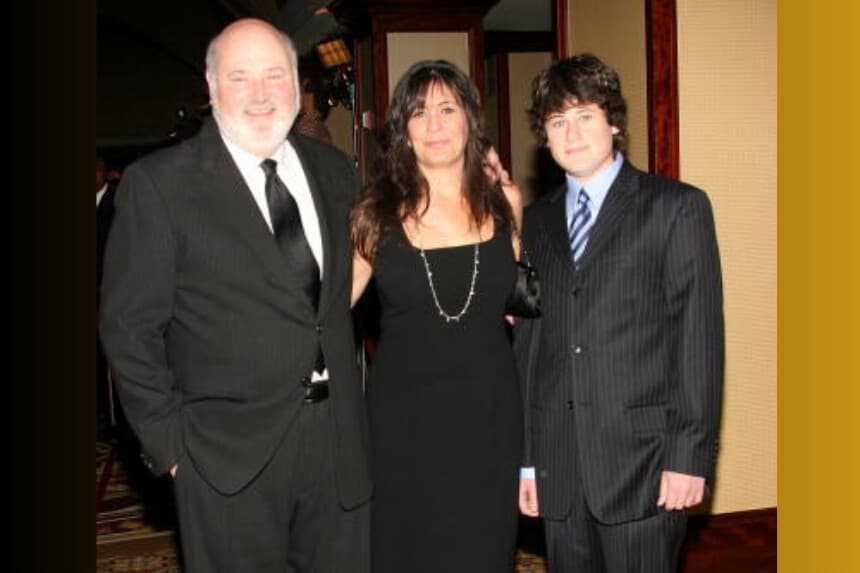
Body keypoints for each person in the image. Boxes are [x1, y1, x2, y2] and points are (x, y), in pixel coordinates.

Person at [99, 18, 371, 573]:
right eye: (241, 76)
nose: (261, 93)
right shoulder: (160, 184)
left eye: (275, 75)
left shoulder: (335, 170)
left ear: (297, 85)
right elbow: (128, 329)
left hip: (338, 447)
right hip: (224, 459)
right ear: (211, 83)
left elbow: (338, 295)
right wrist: (175, 450)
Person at [515, 53, 724, 573]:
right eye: (557, 121)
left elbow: (698, 340)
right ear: (546, 136)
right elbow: (528, 347)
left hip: (646, 465)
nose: (572, 132)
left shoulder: (676, 207)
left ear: (613, 122)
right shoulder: (535, 223)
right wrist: (527, 459)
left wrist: (688, 457)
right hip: (560, 466)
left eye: (585, 114)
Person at [350, 60, 523, 573]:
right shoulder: (374, 215)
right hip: (405, 428)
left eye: (448, 109)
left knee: (485, 552)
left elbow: (519, 309)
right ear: (403, 129)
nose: (435, 124)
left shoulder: (507, 202)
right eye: (419, 112)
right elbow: (323, 314)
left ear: (470, 119)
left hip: (491, 419)